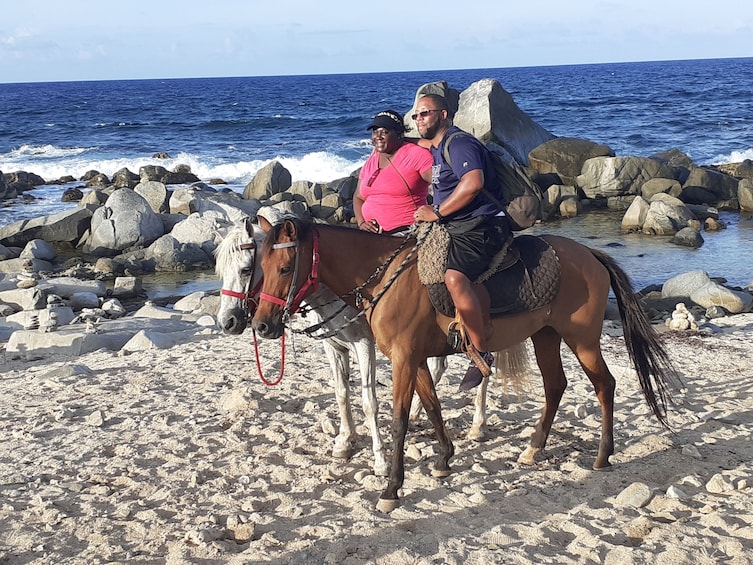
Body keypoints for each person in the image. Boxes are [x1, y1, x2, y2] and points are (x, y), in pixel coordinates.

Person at [412, 93, 512, 390]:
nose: (419, 119)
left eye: (425, 113)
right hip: (458, 225)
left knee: (455, 277)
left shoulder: (459, 143)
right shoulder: (439, 148)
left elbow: (473, 183)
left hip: (483, 225)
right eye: (416, 115)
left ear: (444, 115)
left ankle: (480, 352)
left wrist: (438, 211)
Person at [354, 110, 433, 235]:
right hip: (371, 235)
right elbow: (358, 197)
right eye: (375, 132)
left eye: (385, 132)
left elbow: (444, 183)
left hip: (406, 233)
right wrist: (361, 223)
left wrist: (436, 212)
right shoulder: (372, 159)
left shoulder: (416, 155)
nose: (378, 136)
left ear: (398, 134)